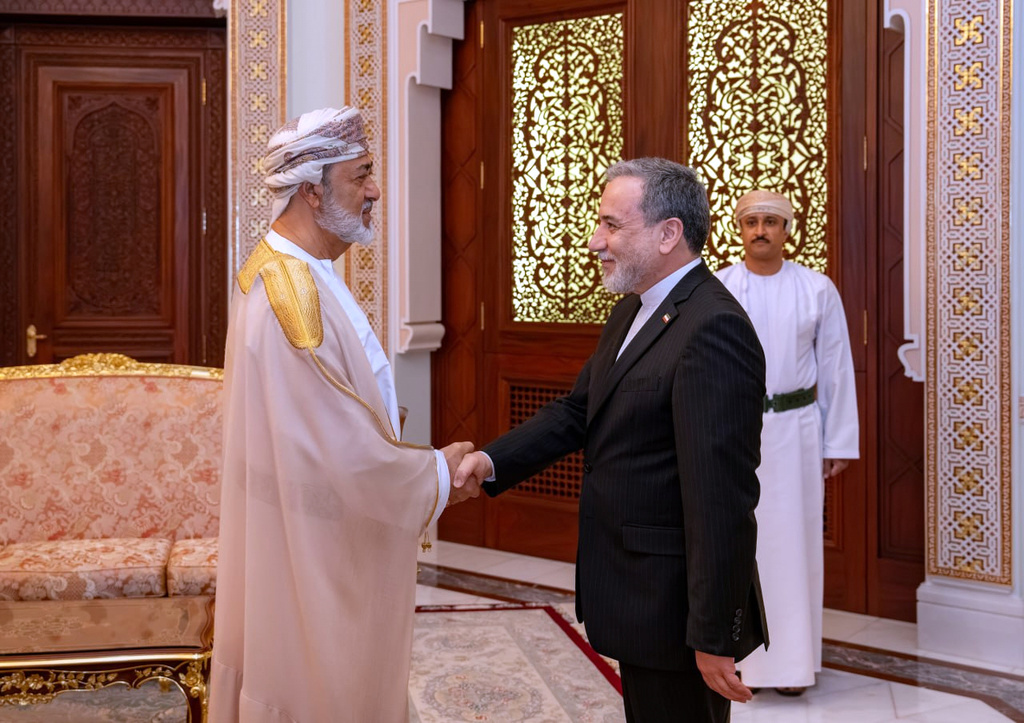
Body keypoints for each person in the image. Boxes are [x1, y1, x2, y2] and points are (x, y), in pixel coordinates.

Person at [455, 158, 768, 723]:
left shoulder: (713, 326)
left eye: (612, 225)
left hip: (675, 608)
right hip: (638, 596)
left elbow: (721, 500)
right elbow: (580, 412)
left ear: (669, 233)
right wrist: (489, 460)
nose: (597, 241)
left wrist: (714, 633)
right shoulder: (637, 309)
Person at [209, 106, 475, 722]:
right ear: (311, 189)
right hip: (316, 543)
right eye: (362, 175)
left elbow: (329, 412)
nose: (375, 190)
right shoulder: (290, 293)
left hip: (313, 524)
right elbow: (337, 451)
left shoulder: (296, 268)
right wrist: (437, 475)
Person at [715, 189, 859, 696]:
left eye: (771, 222)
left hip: (797, 431)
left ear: (787, 229)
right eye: (752, 220)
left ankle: (793, 666)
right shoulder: (719, 288)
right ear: (739, 228)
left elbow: (837, 369)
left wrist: (837, 441)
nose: (761, 230)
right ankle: (738, 661)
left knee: (793, 546)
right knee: (737, 543)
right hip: (735, 433)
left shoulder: (816, 289)